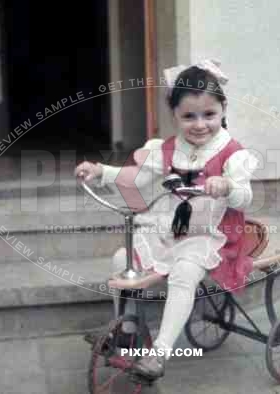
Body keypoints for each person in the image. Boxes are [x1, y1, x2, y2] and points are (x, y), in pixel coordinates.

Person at [75, 59, 258, 379]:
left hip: (210, 234)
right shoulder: (169, 148)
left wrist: (227, 186)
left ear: (223, 110)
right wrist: (102, 171)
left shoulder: (233, 153)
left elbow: (245, 196)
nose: (200, 124)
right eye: (189, 116)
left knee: (185, 271)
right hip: (171, 228)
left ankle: (159, 353)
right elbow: (137, 176)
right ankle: (128, 327)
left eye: (209, 115)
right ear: (174, 115)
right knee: (123, 258)